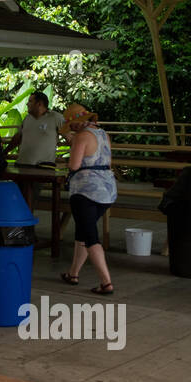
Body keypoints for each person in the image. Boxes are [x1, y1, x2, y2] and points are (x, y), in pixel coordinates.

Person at [58, 102, 117, 295]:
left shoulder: (81, 137)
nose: (71, 128)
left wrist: (71, 147)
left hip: (86, 192)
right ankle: (73, 273)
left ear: (79, 122)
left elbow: (74, 165)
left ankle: (106, 282)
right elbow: (106, 160)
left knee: (90, 236)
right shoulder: (104, 134)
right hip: (107, 191)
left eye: (72, 125)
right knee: (83, 231)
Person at [7, 91, 64, 165]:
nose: (27, 104)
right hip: (23, 164)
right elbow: (18, 137)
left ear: (39, 104)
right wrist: (5, 152)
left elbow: (68, 137)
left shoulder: (56, 117)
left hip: (45, 167)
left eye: (30, 101)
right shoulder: (27, 118)